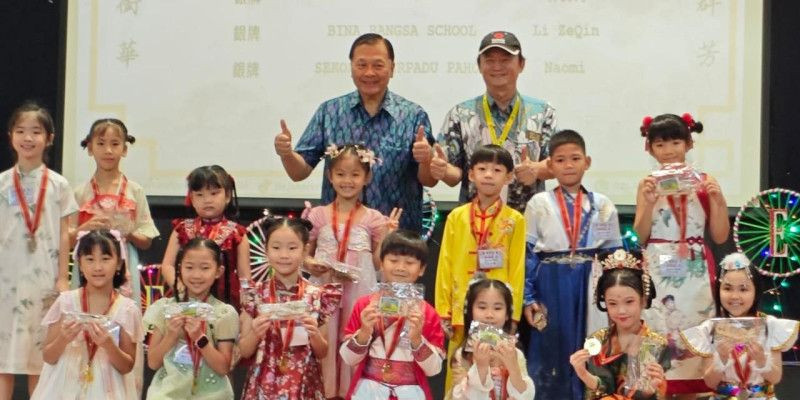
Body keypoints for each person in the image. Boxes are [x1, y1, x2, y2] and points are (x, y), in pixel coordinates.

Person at [274, 33, 434, 232]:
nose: (369, 73)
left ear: (392, 68)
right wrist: (287, 154)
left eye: (378, 65)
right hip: (337, 238)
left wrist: (426, 159)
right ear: (351, 68)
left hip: (395, 241)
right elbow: (299, 172)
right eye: (361, 65)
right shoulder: (330, 112)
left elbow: (429, 180)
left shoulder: (413, 116)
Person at [634, 113, 730, 397]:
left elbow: (721, 236)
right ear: (649, 148)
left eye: (676, 142)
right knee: (659, 330)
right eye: (661, 145)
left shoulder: (704, 181)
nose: (669, 151)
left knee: (697, 333)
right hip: (658, 266)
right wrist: (649, 204)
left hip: (696, 267)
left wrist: (719, 200)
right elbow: (640, 236)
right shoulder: (647, 184)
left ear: (689, 143)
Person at [522, 129, 622, 399]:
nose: (568, 165)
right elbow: (528, 253)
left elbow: (615, 253)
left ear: (587, 162)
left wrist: (615, 296)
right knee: (552, 346)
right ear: (550, 165)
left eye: (575, 158)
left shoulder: (603, 205)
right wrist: (528, 297)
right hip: (550, 283)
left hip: (591, 282)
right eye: (560, 159)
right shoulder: (538, 203)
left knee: (591, 344)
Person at [304, 143, 402, 398]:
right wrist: (309, 263)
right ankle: (322, 392)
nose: (347, 180)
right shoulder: (317, 215)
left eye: (355, 174)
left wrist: (388, 236)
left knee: (354, 337)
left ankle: (352, 392)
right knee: (324, 338)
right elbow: (303, 254)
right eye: (340, 174)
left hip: (358, 290)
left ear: (367, 177)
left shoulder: (374, 218)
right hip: (324, 288)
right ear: (330, 176)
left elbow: (380, 265)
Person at [426, 31, 556, 213]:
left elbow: (556, 163)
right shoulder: (461, 113)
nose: (497, 67)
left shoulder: (542, 112)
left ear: (521, 64)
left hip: (526, 224)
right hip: (474, 225)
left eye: (505, 60)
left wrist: (536, 170)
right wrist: (441, 169)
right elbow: (454, 176)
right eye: (490, 60)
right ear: (479, 66)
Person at [0, 101, 79, 397]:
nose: (28, 138)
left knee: (40, 355)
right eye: (20, 131)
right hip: (6, 277)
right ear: (10, 136)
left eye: (36, 131)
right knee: (3, 355)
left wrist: (63, 278)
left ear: (50, 138)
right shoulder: (2, 183)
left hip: (43, 277)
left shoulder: (59, 184)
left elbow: (64, 235)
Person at [435, 144, 526, 391]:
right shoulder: (457, 217)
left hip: (495, 311)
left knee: (497, 370)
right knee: (459, 372)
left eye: (497, 170)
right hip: (460, 312)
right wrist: (443, 310)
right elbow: (445, 264)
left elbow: (517, 270)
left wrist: (513, 315)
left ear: (508, 177)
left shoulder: (515, 220)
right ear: (471, 174)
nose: (488, 175)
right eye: (482, 169)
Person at [239, 217, 342, 399]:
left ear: (305, 251)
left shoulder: (317, 295)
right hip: (264, 381)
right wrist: (255, 332)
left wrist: (314, 334)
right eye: (276, 247)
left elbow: (322, 352)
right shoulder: (254, 294)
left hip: (303, 381)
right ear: (266, 250)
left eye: (292, 248)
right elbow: (245, 350)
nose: (284, 255)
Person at [32, 230, 141, 399]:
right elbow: (48, 356)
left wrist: (109, 346)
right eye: (90, 259)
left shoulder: (127, 309)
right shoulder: (65, 302)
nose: (98, 267)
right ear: (80, 265)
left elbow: (127, 366)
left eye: (105, 259)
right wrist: (63, 338)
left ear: (119, 264)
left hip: (107, 391)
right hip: (63, 388)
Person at [339, 230, 445, 399]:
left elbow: (434, 370)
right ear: (381, 263)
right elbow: (349, 359)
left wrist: (417, 339)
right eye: (393, 260)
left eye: (409, 262)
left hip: (410, 392)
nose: (400, 268)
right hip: (368, 391)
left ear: (422, 269)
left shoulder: (427, 313)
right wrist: (364, 332)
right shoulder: (365, 305)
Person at [681, 253, 800, 399]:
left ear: (755, 291)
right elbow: (710, 382)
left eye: (743, 289)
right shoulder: (711, 328)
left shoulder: (770, 326)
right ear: (718, 290)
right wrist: (721, 359)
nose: (735, 296)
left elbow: (776, 378)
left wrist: (762, 360)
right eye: (727, 288)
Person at [72, 118, 159, 300]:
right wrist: (85, 229)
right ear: (90, 148)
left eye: (115, 144)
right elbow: (68, 239)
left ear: (124, 149)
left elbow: (146, 241)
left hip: (124, 265)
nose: (108, 150)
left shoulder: (134, 191)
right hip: (88, 265)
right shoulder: (80, 193)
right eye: (101, 144)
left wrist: (128, 234)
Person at [144, 238, 238, 399]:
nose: (196, 275)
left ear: (218, 271)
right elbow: (153, 362)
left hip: (212, 395)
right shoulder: (164, 309)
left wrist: (200, 339)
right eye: (189, 267)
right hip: (168, 393)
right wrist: (171, 335)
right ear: (179, 269)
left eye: (205, 268)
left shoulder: (223, 313)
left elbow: (223, 367)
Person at [570, 249, 670, 399]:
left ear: (643, 300)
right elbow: (601, 389)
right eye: (612, 303)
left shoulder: (656, 343)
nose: (621, 310)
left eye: (629, 302)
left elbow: (651, 393)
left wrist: (650, 390)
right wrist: (583, 373)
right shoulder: (596, 341)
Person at [161, 165, 250, 312]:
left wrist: (247, 308)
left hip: (225, 301)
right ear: (191, 198)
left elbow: (244, 276)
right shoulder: (181, 229)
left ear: (227, 196)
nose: (207, 200)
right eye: (200, 195)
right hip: (185, 300)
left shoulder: (237, 233)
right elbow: (167, 265)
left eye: (214, 193)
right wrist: (180, 288)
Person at [449, 279, 535, 400]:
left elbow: (527, 396)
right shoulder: (463, 355)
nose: (489, 314)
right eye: (482, 307)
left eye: (497, 308)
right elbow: (459, 397)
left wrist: (512, 365)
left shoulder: (514, 354)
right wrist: (481, 366)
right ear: (471, 312)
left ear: (507, 315)